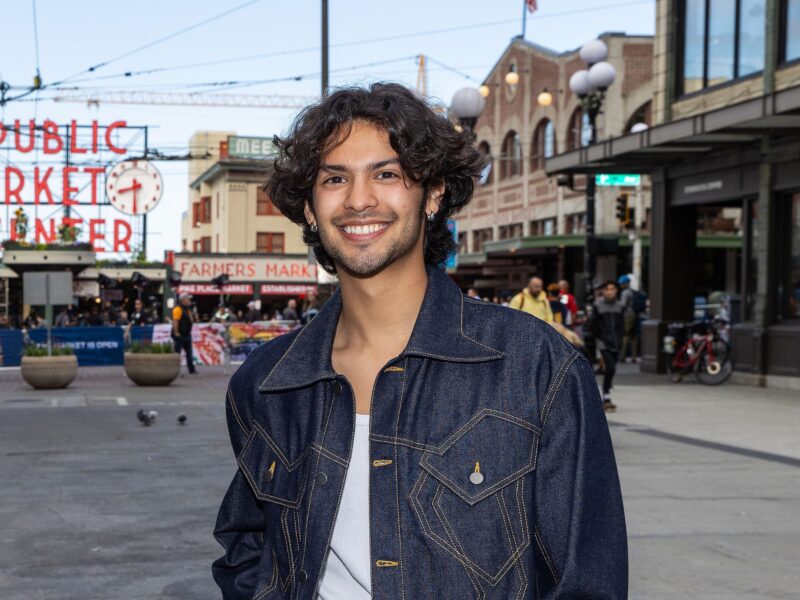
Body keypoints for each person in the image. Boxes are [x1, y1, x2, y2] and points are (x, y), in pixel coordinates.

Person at [212, 83, 626, 599]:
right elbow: (249, 551)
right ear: (311, 210)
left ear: (432, 195)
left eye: (386, 174)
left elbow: (587, 582)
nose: (359, 200)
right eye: (335, 178)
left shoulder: (537, 366)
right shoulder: (267, 384)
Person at [585, 280, 626, 412]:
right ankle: (606, 395)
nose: (610, 291)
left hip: (616, 341)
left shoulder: (620, 306)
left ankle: (606, 391)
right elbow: (593, 324)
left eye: (612, 289)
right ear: (603, 291)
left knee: (612, 369)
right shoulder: (598, 305)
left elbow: (622, 324)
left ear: (616, 291)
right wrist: (600, 337)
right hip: (603, 341)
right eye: (607, 289)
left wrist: (620, 337)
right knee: (610, 366)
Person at [172, 293, 196, 375]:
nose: (189, 300)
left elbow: (191, 320)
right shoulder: (178, 309)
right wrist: (176, 333)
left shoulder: (188, 310)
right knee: (177, 354)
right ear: (183, 300)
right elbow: (175, 322)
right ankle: (174, 370)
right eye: (187, 299)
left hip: (187, 334)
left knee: (189, 353)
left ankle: (192, 370)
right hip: (180, 335)